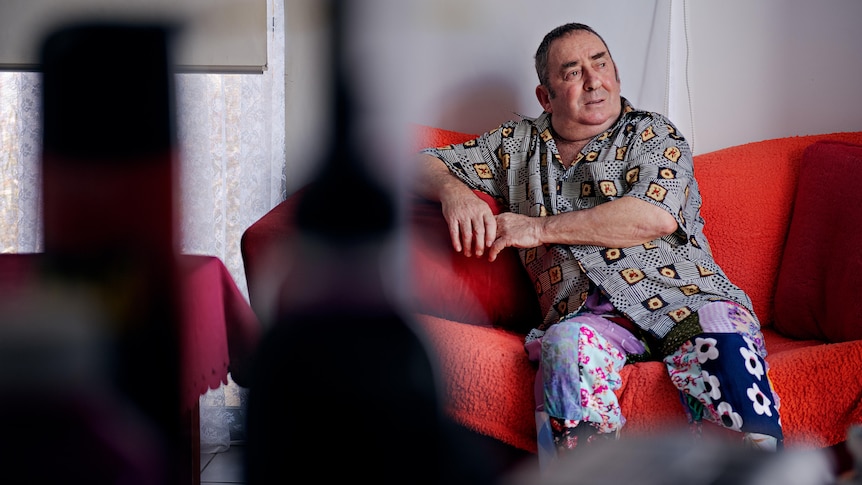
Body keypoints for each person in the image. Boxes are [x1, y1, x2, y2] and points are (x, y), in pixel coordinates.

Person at [415, 22, 783, 466]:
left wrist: (537, 228)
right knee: (564, 348)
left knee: (723, 337)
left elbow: (653, 215)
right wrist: (454, 192)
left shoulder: (652, 134)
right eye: (572, 72)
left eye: (601, 63)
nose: (594, 80)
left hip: (684, 298)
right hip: (585, 318)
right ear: (545, 97)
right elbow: (419, 162)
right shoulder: (514, 146)